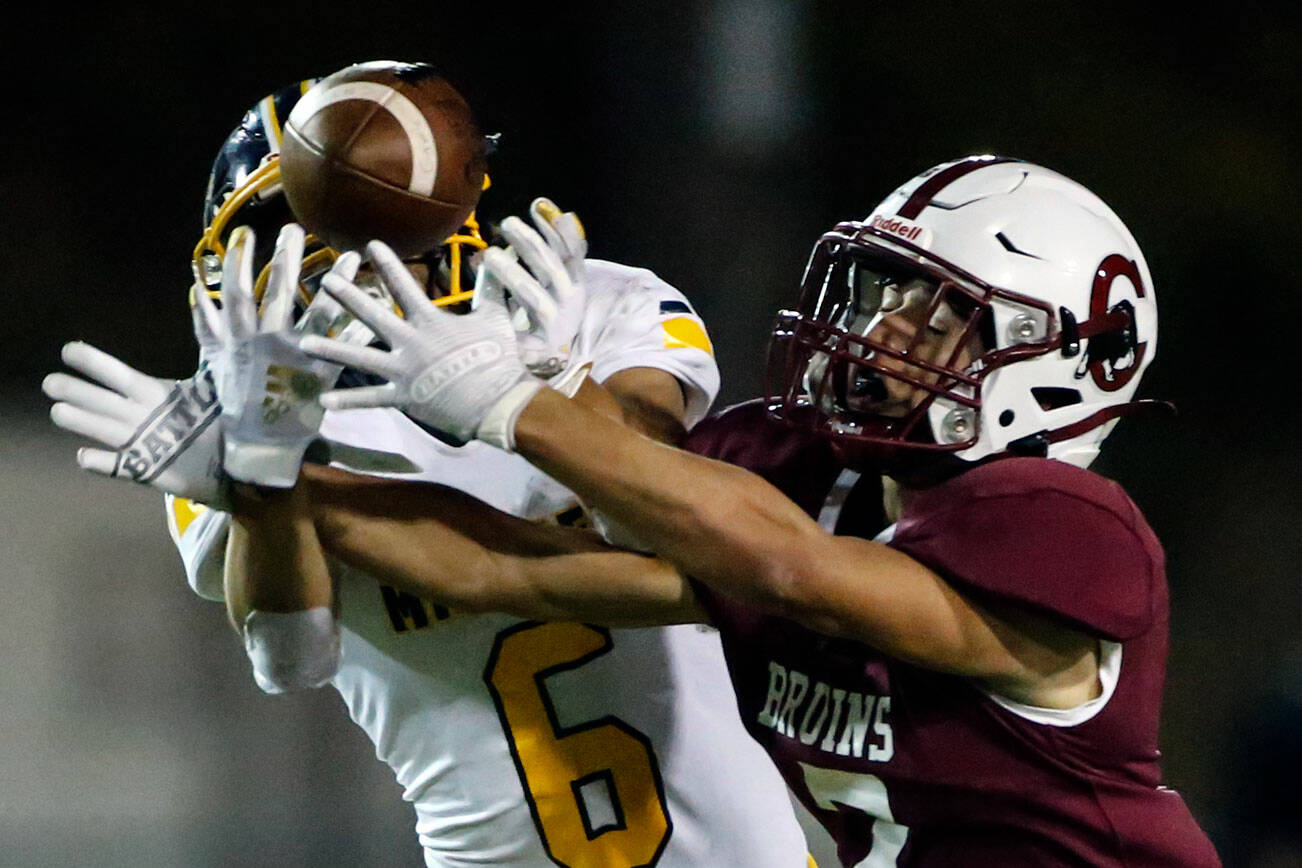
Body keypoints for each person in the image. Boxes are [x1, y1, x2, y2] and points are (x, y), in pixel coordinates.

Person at [280, 154, 1222, 865]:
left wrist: (519, 407)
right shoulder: (807, 477)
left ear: (1053, 363)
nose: (877, 333)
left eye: (936, 317)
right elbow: (514, 568)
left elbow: (797, 573)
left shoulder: (1068, 525)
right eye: (880, 292)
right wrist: (262, 477)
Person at [43, 70, 814, 867]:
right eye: (292, 225)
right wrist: (261, 485)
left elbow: (663, 503)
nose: (326, 251)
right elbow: (290, 656)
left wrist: (543, 383)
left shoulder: (586, 305)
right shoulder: (231, 419)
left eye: (331, 214)